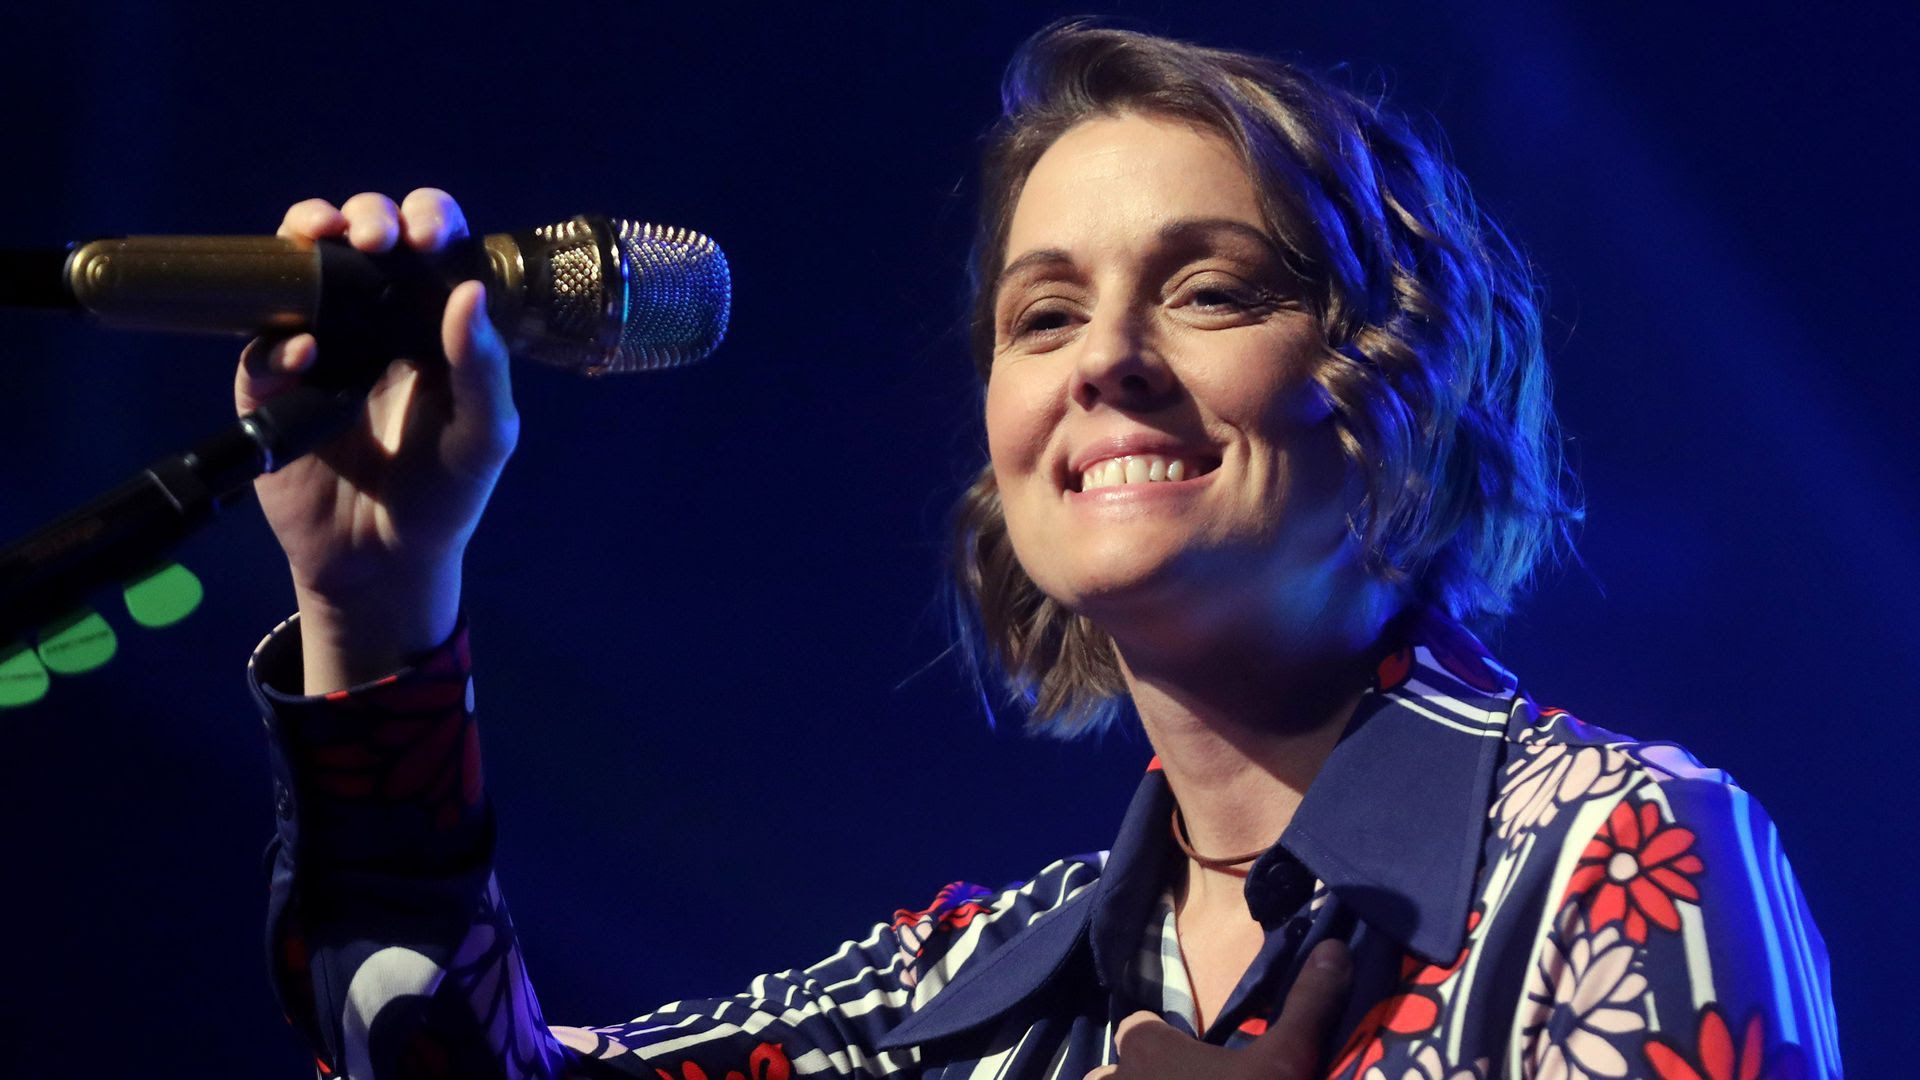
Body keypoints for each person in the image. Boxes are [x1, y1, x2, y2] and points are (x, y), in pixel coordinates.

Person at [238, 23, 1838, 1080]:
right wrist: (374, 602)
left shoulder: (1614, 851)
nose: (1107, 361)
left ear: (1400, 384)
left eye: (1210, 291)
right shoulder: (968, 998)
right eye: (1045, 313)